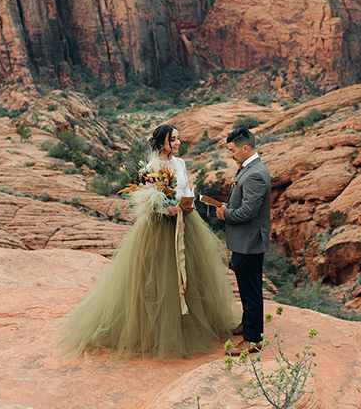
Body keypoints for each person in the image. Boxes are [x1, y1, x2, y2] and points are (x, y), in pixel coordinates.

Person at [56, 124, 238, 359]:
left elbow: (183, 188)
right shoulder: (151, 167)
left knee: (187, 274)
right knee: (158, 276)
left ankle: (186, 326)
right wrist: (164, 209)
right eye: (174, 139)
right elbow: (147, 200)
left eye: (179, 138)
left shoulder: (180, 164)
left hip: (185, 224)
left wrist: (187, 203)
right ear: (162, 142)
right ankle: (154, 331)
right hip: (159, 229)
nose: (178, 143)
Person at [215, 127, 271, 356]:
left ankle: (253, 340)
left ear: (245, 148)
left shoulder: (255, 173)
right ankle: (248, 326)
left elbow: (248, 212)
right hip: (244, 242)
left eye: (232, 150)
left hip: (249, 243)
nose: (230, 155)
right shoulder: (250, 168)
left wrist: (225, 214)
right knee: (248, 287)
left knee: (251, 291)